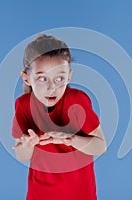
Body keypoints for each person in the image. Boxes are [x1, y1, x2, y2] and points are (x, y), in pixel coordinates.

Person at [11, 34, 107, 200]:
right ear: (27, 78)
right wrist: (27, 144)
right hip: (39, 193)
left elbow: (100, 147)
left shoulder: (77, 101)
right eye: (42, 78)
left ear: (69, 76)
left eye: (59, 78)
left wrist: (69, 139)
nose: (52, 87)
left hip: (80, 194)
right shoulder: (23, 105)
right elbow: (22, 155)